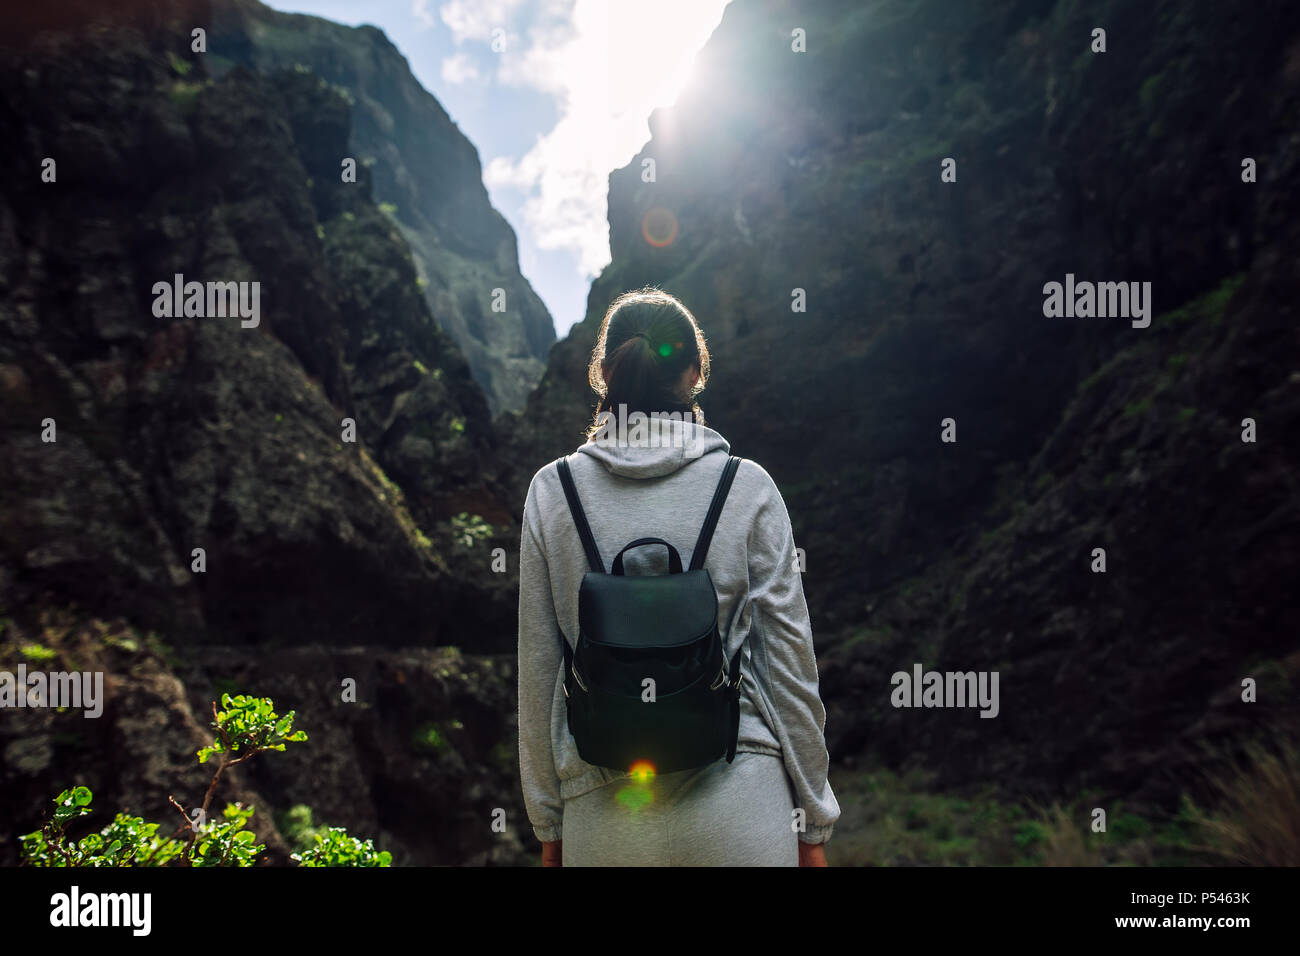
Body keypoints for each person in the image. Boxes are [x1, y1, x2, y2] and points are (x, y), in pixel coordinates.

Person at [517, 286, 839, 866]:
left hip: (604, 813)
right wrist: (813, 822)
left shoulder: (551, 493)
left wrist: (548, 822)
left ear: (603, 372)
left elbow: (539, 671)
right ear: (694, 372)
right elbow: (791, 662)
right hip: (740, 802)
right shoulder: (748, 487)